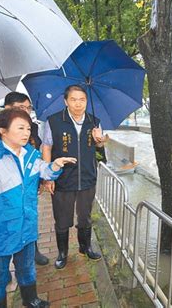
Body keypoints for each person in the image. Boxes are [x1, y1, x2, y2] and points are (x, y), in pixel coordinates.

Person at [0, 109, 76, 308]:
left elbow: (46, 171)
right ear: (3, 131)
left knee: (26, 268)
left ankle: (30, 299)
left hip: (26, 225)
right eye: (20, 128)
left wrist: (55, 165)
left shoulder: (31, 155)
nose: (26, 132)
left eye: (28, 128)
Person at [42, 84, 108, 269]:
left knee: (85, 217)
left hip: (87, 179)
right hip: (63, 180)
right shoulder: (54, 121)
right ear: (66, 101)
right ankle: (62, 253)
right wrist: (48, 177)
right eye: (73, 99)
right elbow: (46, 147)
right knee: (62, 219)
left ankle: (85, 247)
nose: (78, 104)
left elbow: (100, 157)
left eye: (82, 100)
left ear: (87, 102)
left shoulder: (94, 122)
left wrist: (99, 142)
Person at [0, 91, 49, 266]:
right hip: (2, 188)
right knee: (4, 222)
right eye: (21, 107)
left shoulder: (32, 127)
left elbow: (36, 151)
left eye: (28, 108)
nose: (26, 111)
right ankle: (1, 260)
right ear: (7, 108)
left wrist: (41, 180)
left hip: (27, 181)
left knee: (28, 215)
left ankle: (32, 251)